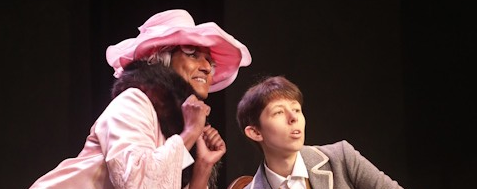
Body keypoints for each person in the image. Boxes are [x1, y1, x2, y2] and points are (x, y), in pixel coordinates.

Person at [30, 9, 251, 189]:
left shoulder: (177, 126)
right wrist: (190, 133)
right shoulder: (133, 101)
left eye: (210, 63)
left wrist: (203, 165)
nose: (205, 67)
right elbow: (135, 183)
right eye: (192, 54)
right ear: (161, 58)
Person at [236, 76, 403, 189]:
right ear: (255, 132)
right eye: (279, 112)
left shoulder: (340, 158)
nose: (293, 117)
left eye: (296, 109)